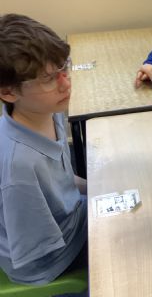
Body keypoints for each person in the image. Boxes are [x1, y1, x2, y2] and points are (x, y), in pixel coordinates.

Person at [0, 14, 88, 286]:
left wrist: (97, 188)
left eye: (64, 67)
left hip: (69, 220)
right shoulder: (20, 168)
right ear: (8, 92)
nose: (65, 83)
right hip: (50, 258)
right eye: (48, 79)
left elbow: (60, 182)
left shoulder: (47, 111)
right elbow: (35, 247)